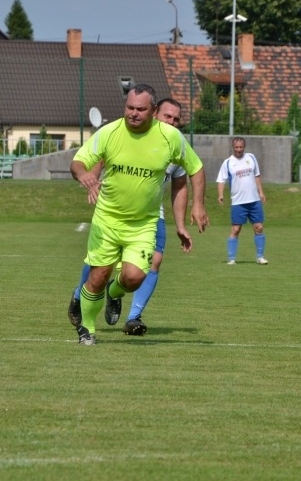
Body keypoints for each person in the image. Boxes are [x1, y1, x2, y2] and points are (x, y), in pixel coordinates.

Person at [70, 85, 208, 345]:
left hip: (144, 223)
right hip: (107, 220)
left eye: (140, 109)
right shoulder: (110, 132)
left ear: (152, 111)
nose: (133, 113)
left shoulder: (171, 138)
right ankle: (87, 328)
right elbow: (78, 162)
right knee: (97, 276)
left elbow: (196, 169)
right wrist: (85, 174)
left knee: (134, 277)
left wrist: (198, 205)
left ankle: (114, 294)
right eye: (130, 107)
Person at [216, 137, 268, 265]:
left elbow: (256, 176)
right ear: (233, 147)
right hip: (238, 202)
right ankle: (232, 258)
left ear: (244, 147)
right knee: (235, 229)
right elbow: (221, 179)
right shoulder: (228, 162)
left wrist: (261, 192)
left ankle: (260, 257)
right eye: (236, 147)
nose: (239, 150)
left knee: (259, 227)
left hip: (254, 200)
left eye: (241, 147)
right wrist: (220, 194)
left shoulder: (251, 158)